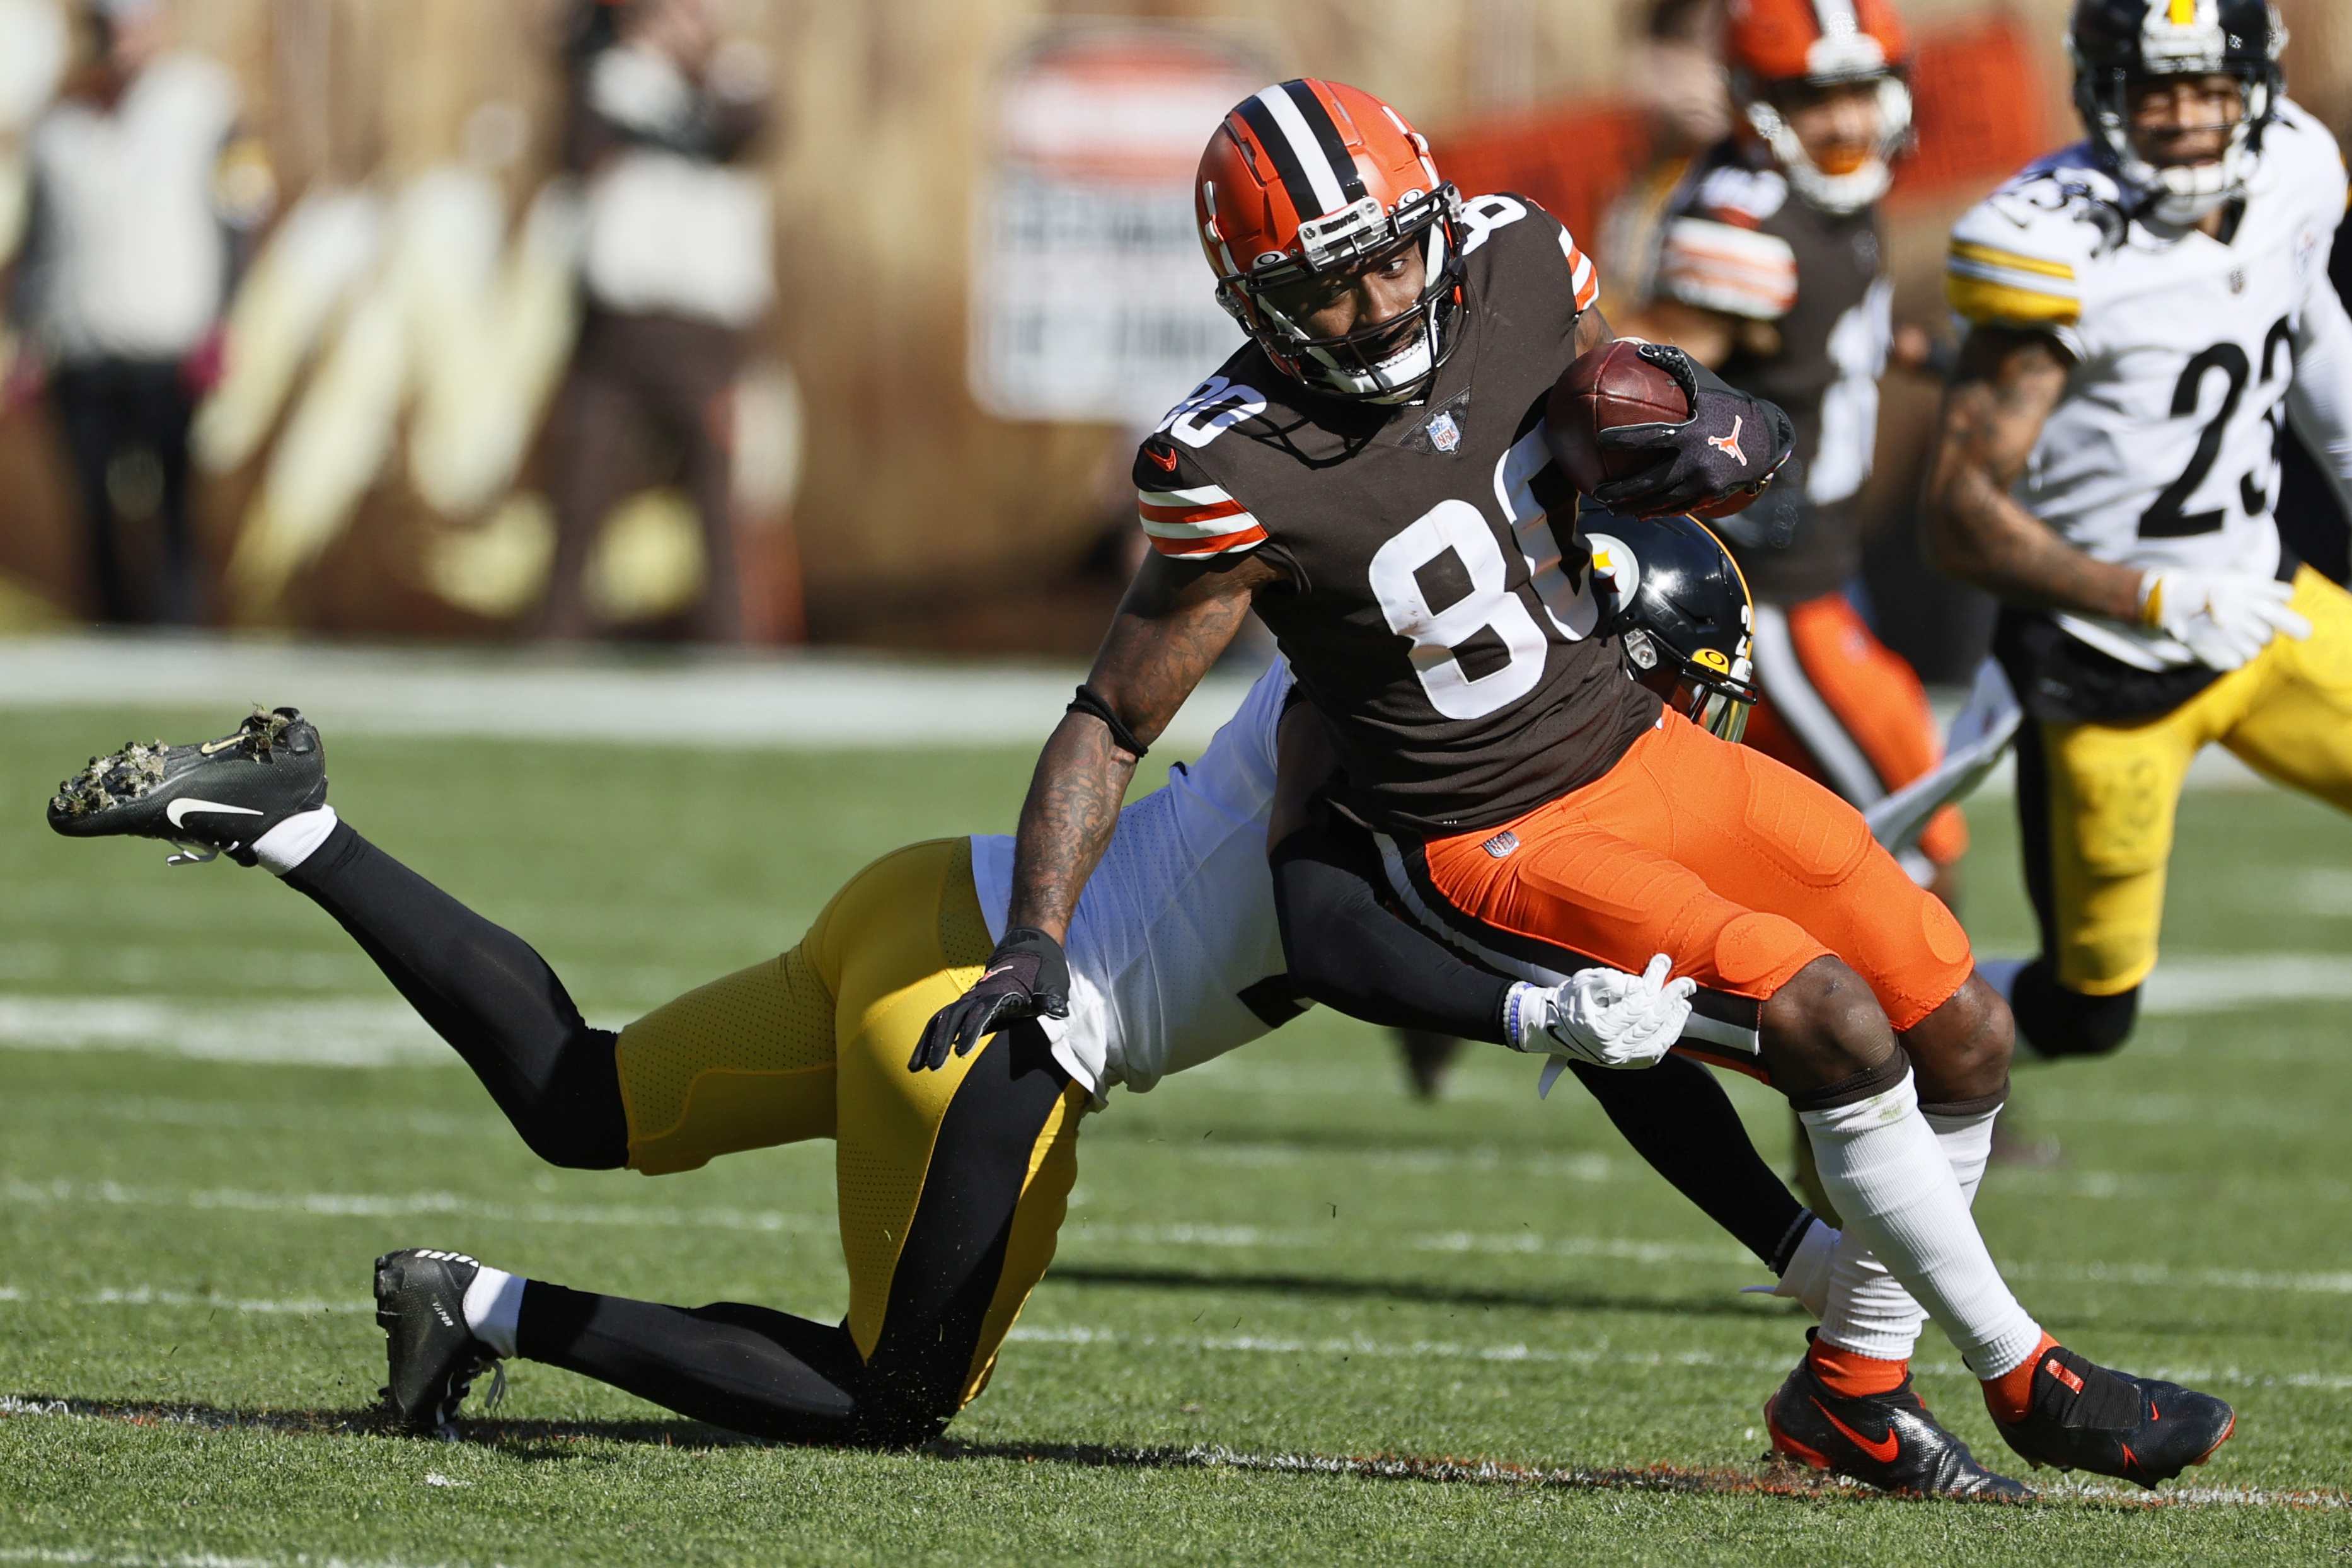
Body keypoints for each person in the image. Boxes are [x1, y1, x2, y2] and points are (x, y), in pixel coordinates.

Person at [918, 76, 2236, 1494]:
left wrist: (1696, 420)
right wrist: (1038, 935)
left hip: (1642, 743)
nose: (1376, 301)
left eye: (1391, 255)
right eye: (1332, 285)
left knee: (1965, 1029)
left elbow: (1617, 403)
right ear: (1257, 299)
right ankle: (2029, 1373)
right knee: (1832, 1023)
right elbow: (1113, 717)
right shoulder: (1234, 460)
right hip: (1488, 833)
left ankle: (1849, 1394)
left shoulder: (1516, 259)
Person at [48, 667, 1823, 1451]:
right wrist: (1546, 1011)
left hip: (924, 900)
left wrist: (1786, 1240)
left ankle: (294, 830)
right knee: (889, 1399)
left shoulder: (1386, 647)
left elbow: (1617, 1035)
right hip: (990, 1029)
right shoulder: (1435, 766)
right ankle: (483, 1307)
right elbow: (1352, 937)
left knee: (585, 1099)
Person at [1923, 0, 2352, 1062]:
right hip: (2107, 664)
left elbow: (2312, 336)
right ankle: (1854, 1047)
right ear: (2098, 93)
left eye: (2210, 87)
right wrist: (2149, 597)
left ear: (2257, 87)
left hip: (2262, 600)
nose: (2186, 118)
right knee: (2088, 1011)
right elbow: (1957, 520)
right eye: (2155, 89)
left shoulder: (2296, 169)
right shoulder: (2053, 245)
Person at [1615, 0, 1967, 901]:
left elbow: (1833, 330)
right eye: (1815, 98)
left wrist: (1934, 355)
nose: (1847, 121)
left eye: (1862, 91)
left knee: (1872, 843)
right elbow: (1633, 382)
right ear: (1757, 100)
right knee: (1912, 849)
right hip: (1768, 601)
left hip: (1822, 575)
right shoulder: (1744, 223)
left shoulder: (1830, 189)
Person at [9, 0, 257, 624]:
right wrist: (26, 337)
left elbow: (240, 212)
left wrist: (225, 319)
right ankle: (111, 630)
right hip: (82, 343)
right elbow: (36, 241)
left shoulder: (206, 106)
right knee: (92, 504)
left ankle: (176, 631)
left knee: (176, 504)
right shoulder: (58, 126)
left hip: (169, 341)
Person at [536, 0, 774, 644]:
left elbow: (744, 128)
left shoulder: (731, 81)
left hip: (705, 335)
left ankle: (731, 646)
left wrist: (698, 73)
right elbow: (577, 145)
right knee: (582, 494)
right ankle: (555, 642)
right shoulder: (608, 81)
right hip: (620, 326)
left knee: (717, 505)